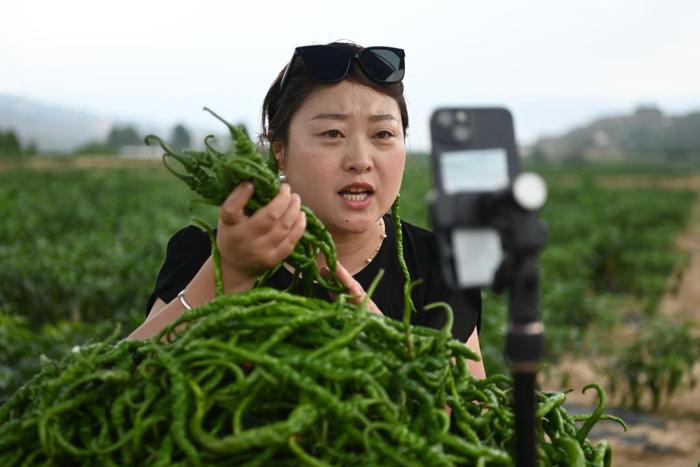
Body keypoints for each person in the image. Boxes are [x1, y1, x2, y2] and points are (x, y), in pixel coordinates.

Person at [127, 41, 485, 378]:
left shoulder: (441, 265)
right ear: (280, 151)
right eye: (332, 133)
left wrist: (389, 345)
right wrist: (227, 274)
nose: (360, 160)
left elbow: (474, 421)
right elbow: (113, 388)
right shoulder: (204, 252)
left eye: (383, 135)